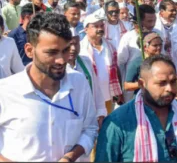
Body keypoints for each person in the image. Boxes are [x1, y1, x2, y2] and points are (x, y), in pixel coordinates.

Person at [0, 12, 98, 161]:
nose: (60, 60)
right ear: (29, 50)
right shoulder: (5, 92)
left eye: (65, 50)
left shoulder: (79, 83)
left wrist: (70, 157)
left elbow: (90, 129)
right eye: (51, 53)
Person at [95, 54, 177, 162]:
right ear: (142, 84)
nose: (169, 88)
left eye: (173, 81)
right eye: (161, 83)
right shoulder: (118, 122)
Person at [80, 14, 124, 114]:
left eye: (101, 25)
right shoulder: (81, 49)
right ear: (86, 29)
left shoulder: (110, 46)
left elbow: (116, 70)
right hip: (90, 96)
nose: (100, 28)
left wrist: (119, 92)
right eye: (95, 26)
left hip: (107, 95)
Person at [66, 33, 107, 129]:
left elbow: (96, 89)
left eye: (75, 44)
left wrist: (100, 113)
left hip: (89, 118)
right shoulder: (58, 68)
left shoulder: (85, 61)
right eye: (69, 44)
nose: (73, 48)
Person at [118, 4, 157, 86]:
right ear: (139, 21)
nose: (152, 24)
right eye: (149, 21)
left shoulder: (157, 34)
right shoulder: (128, 38)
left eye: (154, 21)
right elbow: (121, 63)